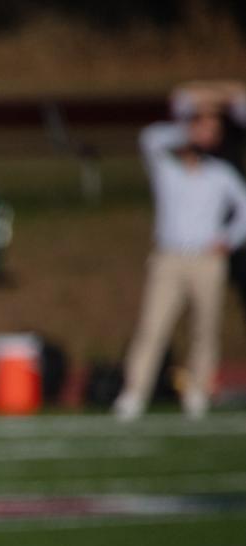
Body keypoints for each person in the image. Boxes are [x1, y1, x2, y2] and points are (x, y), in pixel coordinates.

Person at [114, 81, 246, 422]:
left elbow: (244, 210)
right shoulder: (167, 169)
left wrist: (228, 239)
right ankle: (134, 393)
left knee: (205, 329)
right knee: (153, 326)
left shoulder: (221, 175)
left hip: (207, 259)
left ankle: (199, 392)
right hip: (168, 258)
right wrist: (190, 125)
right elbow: (150, 137)